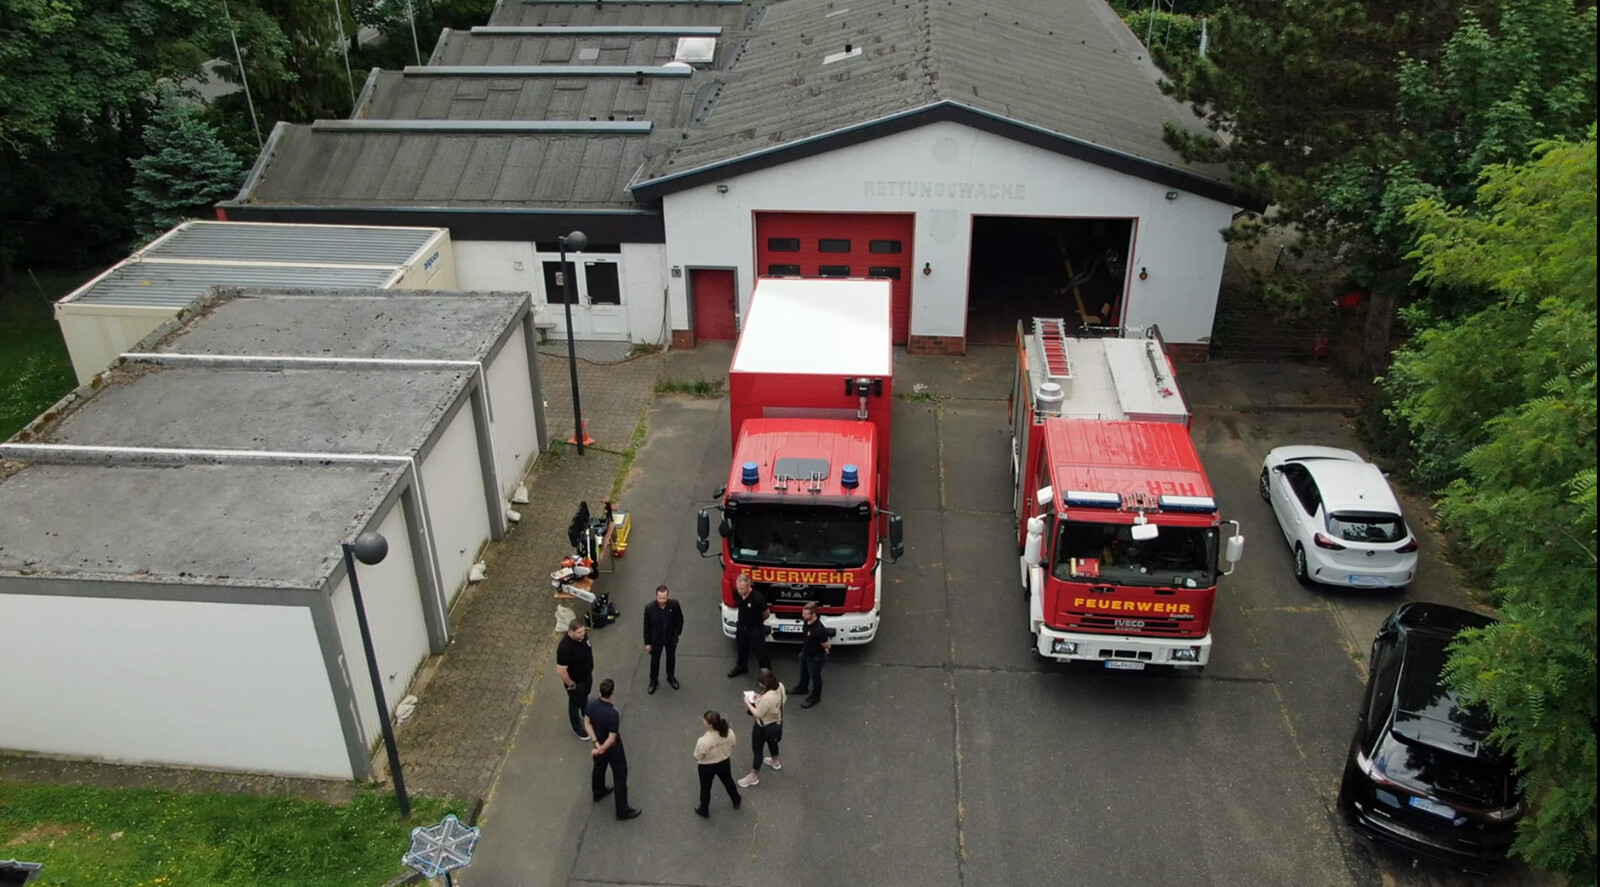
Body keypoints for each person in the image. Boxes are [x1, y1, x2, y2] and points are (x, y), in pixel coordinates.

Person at [584, 678, 642, 821]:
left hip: (598, 743)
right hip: (612, 749)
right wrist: (602, 749)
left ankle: (598, 792)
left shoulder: (591, 703)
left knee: (599, 768)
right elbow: (612, 738)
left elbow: (587, 723)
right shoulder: (612, 714)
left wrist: (596, 743)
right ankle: (622, 810)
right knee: (620, 776)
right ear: (612, 692)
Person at [737, 669, 786, 787]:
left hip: (763, 726)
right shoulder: (780, 686)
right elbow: (783, 700)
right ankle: (775, 761)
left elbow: (758, 713)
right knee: (772, 742)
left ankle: (753, 776)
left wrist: (748, 702)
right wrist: (760, 697)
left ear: (763, 683)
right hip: (776, 723)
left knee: (757, 750)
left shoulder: (768, 698)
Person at [692, 710, 741, 818]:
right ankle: (736, 800)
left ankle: (704, 809)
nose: (703, 721)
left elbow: (697, 756)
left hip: (707, 767)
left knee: (705, 788)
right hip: (724, 762)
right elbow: (733, 744)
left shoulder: (703, 741)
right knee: (728, 781)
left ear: (710, 724)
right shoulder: (729, 733)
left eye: (704, 720)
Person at [555, 619, 594, 740]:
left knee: (585, 696)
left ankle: (585, 714)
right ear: (571, 632)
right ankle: (576, 727)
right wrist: (571, 685)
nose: (583, 634)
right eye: (579, 632)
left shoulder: (582, 637)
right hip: (575, 682)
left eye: (583, 631)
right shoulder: (564, 648)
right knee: (574, 703)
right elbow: (561, 670)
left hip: (586, 676)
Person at [642, 584, 684, 694]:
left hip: (670, 638)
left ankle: (671, 677)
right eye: (660, 598)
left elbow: (679, 620)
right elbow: (646, 627)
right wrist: (647, 643)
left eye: (664, 598)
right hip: (656, 640)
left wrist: (676, 635)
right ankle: (653, 681)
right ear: (656, 596)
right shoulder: (649, 608)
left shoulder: (674, 605)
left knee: (671, 658)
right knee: (654, 661)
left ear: (668, 596)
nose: (662, 600)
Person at [727, 573, 771, 678]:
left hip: (755, 629)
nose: (740, 591)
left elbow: (766, 614)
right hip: (742, 626)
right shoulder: (736, 593)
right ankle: (741, 667)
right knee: (741, 648)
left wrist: (757, 622)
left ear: (749, 585)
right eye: (738, 588)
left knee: (761, 652)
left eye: (742, 588)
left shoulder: (757, 598)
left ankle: (767, 674)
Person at [789, 601, 831, 708]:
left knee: (815, 677)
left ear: (813, 615)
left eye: (805, 614)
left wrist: (825, 650)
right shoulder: (807, 622)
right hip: (805, 653)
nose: (803, 615)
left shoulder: (819, 630)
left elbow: (827, 645)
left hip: (816, 657)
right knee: (804, 672)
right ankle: (802, 687)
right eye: (803, 613)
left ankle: (815, 697)